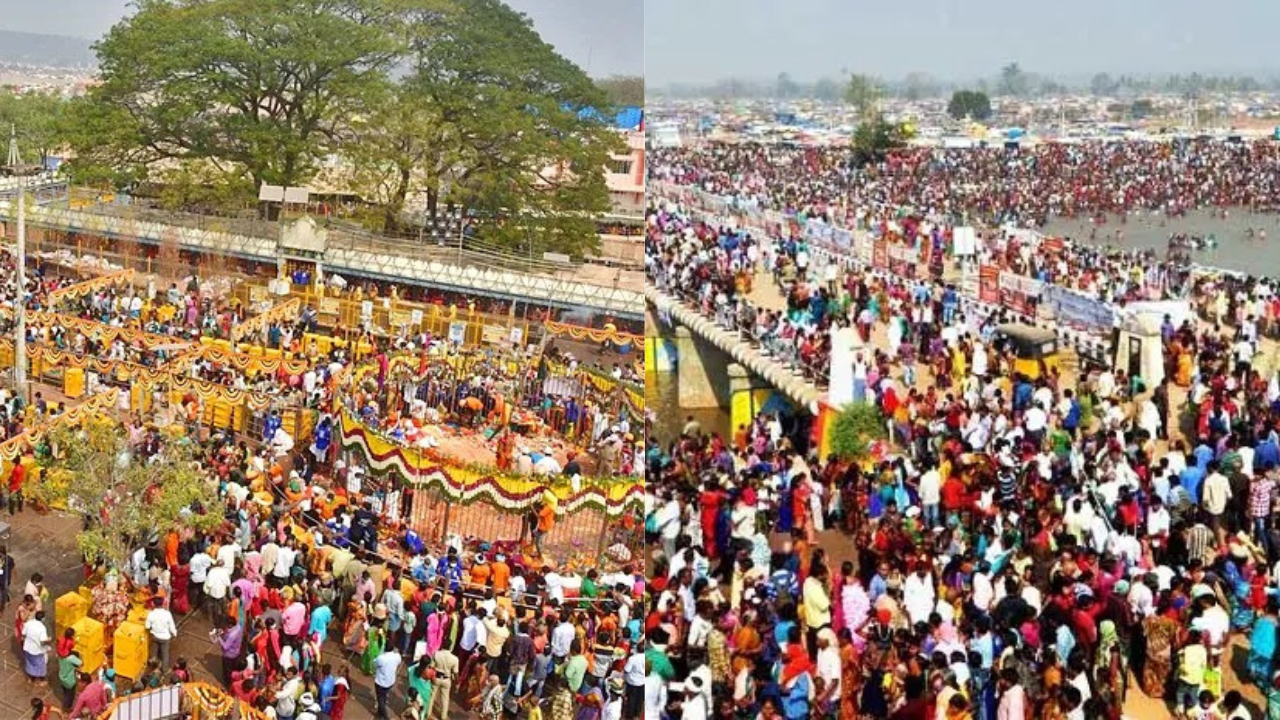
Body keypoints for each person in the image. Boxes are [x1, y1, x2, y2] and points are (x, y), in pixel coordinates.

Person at [373, 643, 402, 719]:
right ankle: (380, 712)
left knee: (380, 699)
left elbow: (375, 663)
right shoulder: (396, 656)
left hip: (381, 682)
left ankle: (385, 716)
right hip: (391, 680)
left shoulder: (382, 658)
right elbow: (399, 661)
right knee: (384, 696)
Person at [22, 609, 50, 684]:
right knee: (40, 665)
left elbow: (23, 633)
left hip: (27, 648)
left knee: (30, 663)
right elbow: (43, 640)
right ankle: (42, 680)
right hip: (37, 650)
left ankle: (31, 678)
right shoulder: (42, 628)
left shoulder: (28, 623)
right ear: (42, 618)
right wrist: (49, 640)